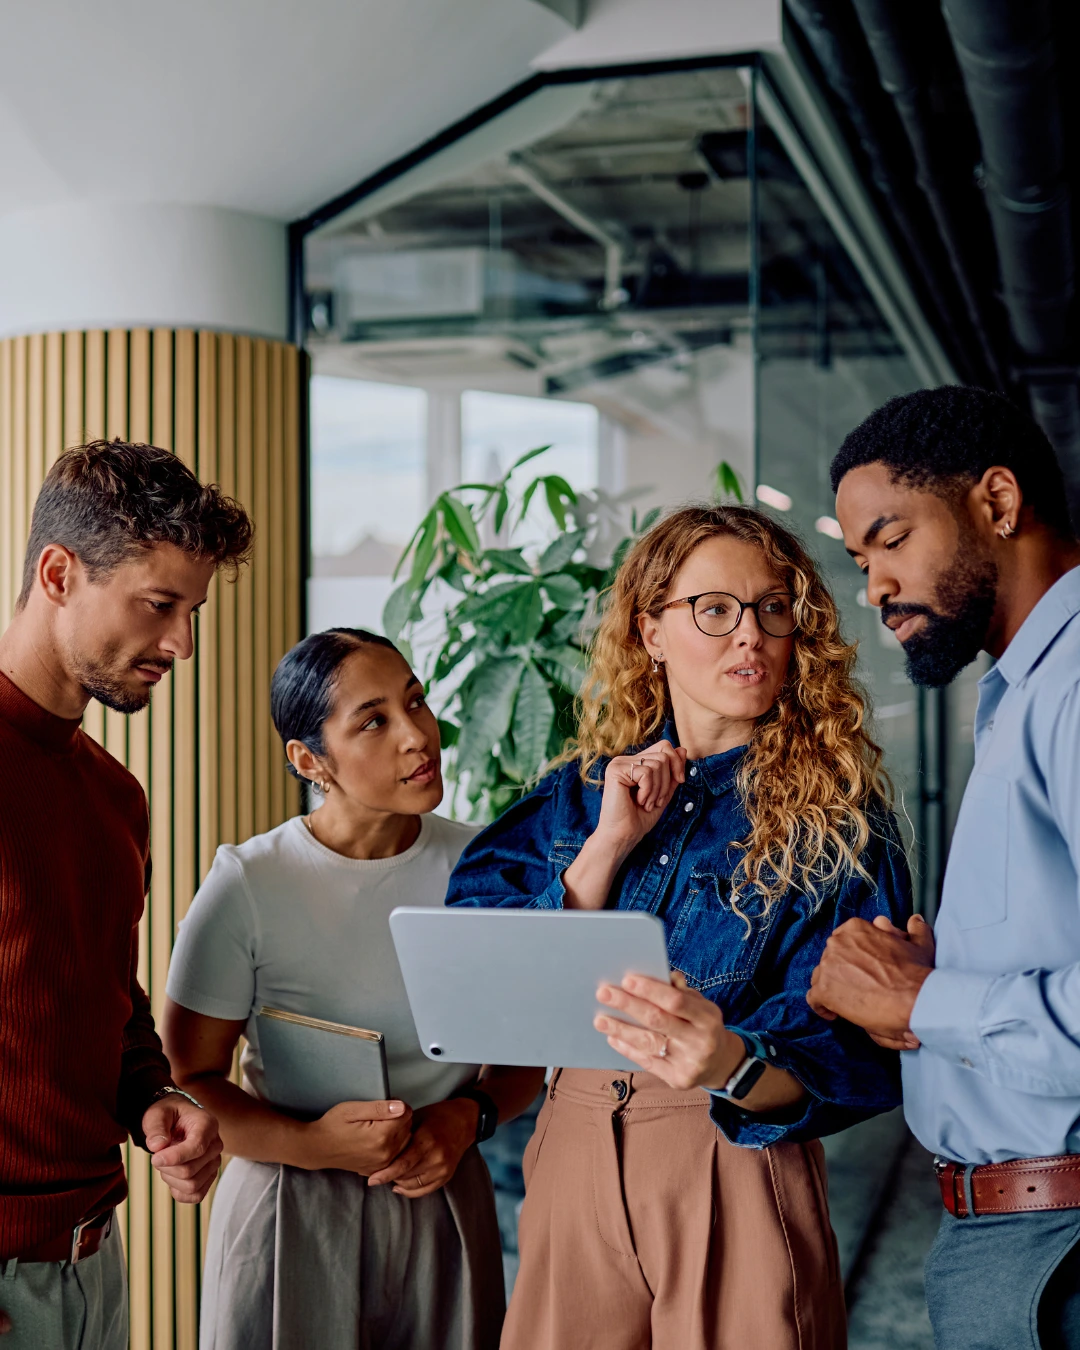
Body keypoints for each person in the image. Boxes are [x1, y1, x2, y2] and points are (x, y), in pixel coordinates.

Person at [447, 504, 913, 1350]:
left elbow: (863, 1051)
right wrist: (606, 846)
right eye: (714, 610)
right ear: (650, 632)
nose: (751, 637)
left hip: (728, 1148)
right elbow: (472, 953)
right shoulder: (581, 793)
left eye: (773, 608)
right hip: (574, 1142)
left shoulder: (840, 818)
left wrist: (731, 1063)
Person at [163, 628, 543, 1350]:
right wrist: (311, 1144)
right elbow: (189, 1084)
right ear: (310, 761)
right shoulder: (248, 883)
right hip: (287, 1212)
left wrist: (468, 1117)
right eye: (374, 720)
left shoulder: (487, 865)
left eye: (416, 703)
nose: (417, 735)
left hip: (442, 1200)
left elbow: (524, 1052)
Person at [809, 386, 1080, 1350]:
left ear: (997, 504)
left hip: (1062, 1252)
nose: (874, 587)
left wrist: (924, 1005)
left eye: (890, 540)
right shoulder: (1020, 692)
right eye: (860, 560)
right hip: (1019, 1240)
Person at [0, 440, 240, 1347]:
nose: (180, 642)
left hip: (95, 1264)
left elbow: (102, 997)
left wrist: (151, 1098)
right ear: (58, 573)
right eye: (157, 605)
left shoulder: (114, 794)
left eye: (191, 611)